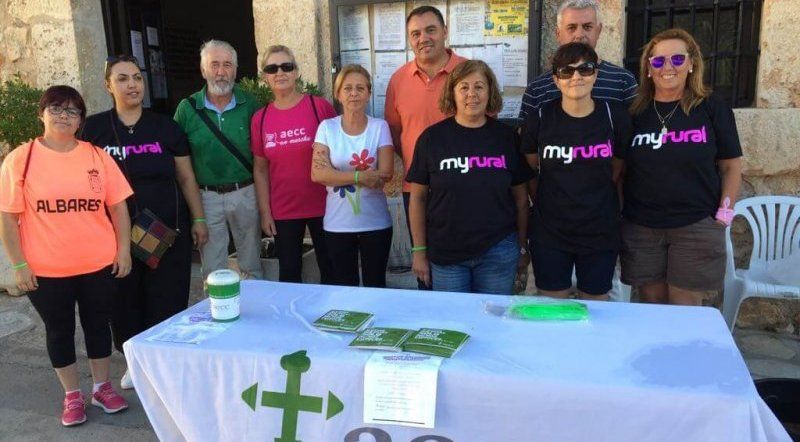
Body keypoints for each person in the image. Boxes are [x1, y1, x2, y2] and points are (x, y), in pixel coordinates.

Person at [0, 86, 133, 426]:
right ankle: (72, 395)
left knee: (98, 327)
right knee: (59, 331)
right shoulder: (21, 159)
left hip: (98, 263)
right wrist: (18, 264)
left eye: (72, 111)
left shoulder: (96, 156)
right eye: (56, 108)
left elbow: (118, 208)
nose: (63, 115)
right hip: (46, 269)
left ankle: (102, 387)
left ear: (81, 121)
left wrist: (123, 250)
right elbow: (8, 218)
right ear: (41, 113)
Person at [80, 55, 208, 390]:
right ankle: (134, 363)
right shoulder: (92, 129)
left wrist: (198, 218)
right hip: (116, 236)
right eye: (122, 79)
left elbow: (186, 177)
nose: (132, 84)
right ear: (108, 85)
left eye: (137, 77)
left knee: (167, 297)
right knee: (124, 300)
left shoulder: (166, 127)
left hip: (168, 232)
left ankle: (163, 361)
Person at [620, 28, 743, 306]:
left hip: (695, 224)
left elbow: (731, 166)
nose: (667, 67)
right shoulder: (635, 113)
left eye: (677, 59)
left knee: (685, 310)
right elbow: (622, 170)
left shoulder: (711, 107)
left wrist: (723, 215)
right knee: (652, 307)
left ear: (691, 64)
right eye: (658, 61)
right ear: (648, 69)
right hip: (642, 226)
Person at [406, 60, 530, 294]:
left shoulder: (506, 138)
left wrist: (522, 247)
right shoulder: (432, 139)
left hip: (498, 250)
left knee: (492, 321)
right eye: (464, 87)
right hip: (446, 253)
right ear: (452, 93)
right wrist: (419, 251)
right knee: (453, 325)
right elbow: (418, 199)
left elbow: (521, 200)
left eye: (479, 87)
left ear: (490, 91)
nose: (471, 94)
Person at [521, 43, 632, 300]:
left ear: (596, 74)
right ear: (555, 80)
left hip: (599, 229)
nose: (576, 77)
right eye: (567, 71)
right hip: (550, 230)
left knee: (595, 304)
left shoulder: (614, 116)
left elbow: (617, 167)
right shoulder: (538, 117)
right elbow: (530, 169)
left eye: (585, 69)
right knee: (552, 307)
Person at [384, 5, 467, 289]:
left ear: (445, 31)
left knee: (465, 265)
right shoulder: (398, 80)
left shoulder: (468, 72)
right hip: (416, 190)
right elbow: (396, 132)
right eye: (415, 33)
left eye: (431, 30)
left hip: (464, 187)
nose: (424, 38)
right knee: (425, 271)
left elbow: (486, 129)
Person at [174, 39, 262, 279]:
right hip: (206, 197)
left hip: (245, 192)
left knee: (252, 265)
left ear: (235, 69)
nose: (221, 72)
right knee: (213, 268)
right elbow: (178, 158)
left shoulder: (250, 104)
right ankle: (218, 314)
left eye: (227, 65)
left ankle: (255, 312)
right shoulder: (187, 109)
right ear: (203, 70)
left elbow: (263, 155)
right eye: (214, 65)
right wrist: (196, 215)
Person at [251, 45, 336, 283]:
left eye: (286, 66)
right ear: (265, 76)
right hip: (284, 209)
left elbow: (338, 151)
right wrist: (265, 212)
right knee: (289, 273)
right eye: (272, 68)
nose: (280, 72)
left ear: (296, 71)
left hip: (324, 204)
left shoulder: (318, 107)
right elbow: (260, 168)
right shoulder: (261, 118)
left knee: (331, 269)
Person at [311, 65, 394, 287]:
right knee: (343, 287)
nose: (354, 93)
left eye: (360, 88)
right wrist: (360, 177)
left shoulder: (380, 127)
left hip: (375, 223)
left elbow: (385, 173)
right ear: (338, 94)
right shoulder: (327, 128)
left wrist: (336, 174)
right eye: (347, 88)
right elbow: (318, 173)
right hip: (338, 225)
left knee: (376, 286)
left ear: (368, 93)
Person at [518, 0, 637, 119]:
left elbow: (635, 132)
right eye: (571, 27)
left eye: (587, 27)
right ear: (558, 34)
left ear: (599, 31)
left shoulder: (623, 81)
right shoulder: (537, 89)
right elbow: (526, 134)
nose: (579, 34)